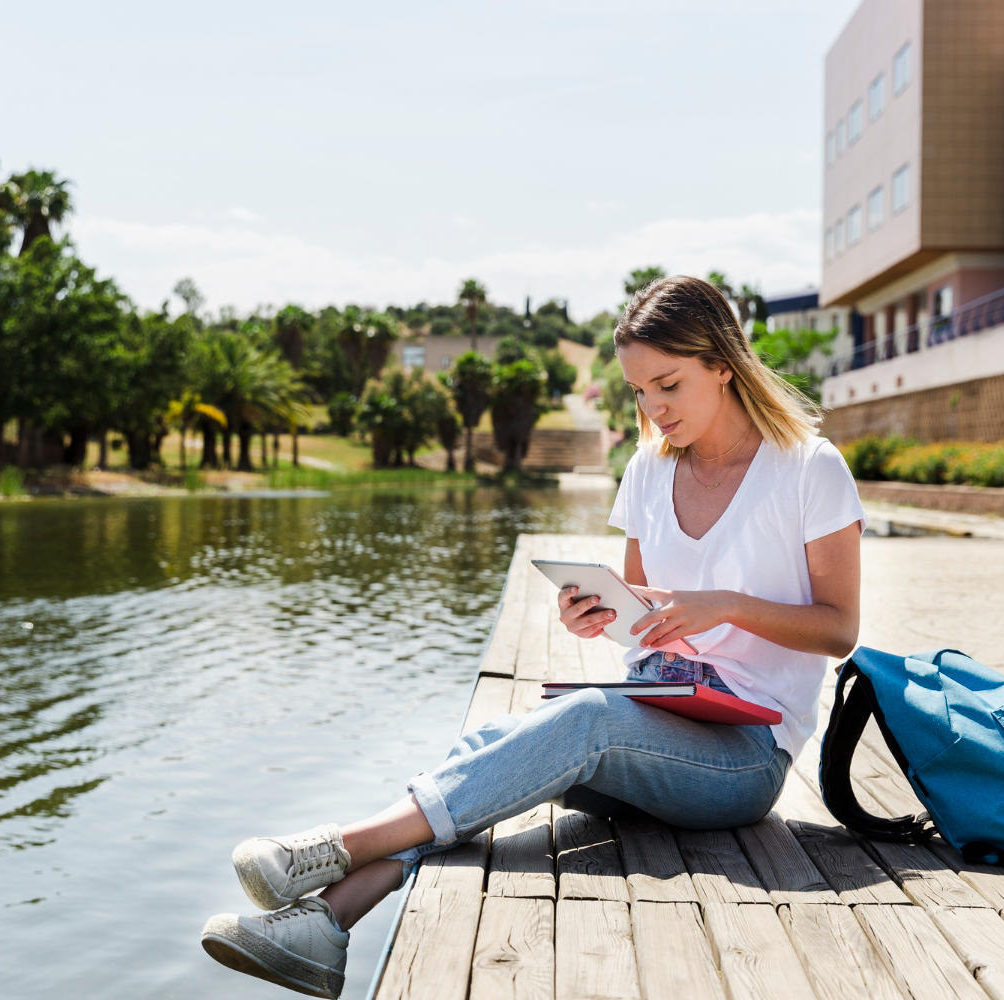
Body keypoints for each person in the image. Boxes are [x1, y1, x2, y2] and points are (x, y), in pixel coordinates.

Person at [199, 275, 865, 997]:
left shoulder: (808, 469)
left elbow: (839, 629)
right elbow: (649, 623)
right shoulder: (648, 470)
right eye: (639, 392)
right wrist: (608, 618)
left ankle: (336, 848)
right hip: (656, 712)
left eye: (667, 384)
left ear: (722, 365)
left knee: (579, 723)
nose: (653, 409)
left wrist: (728, 606)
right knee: (499, 746)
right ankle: (327, 924)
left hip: (744, 759)